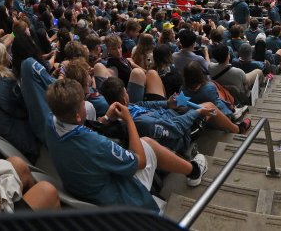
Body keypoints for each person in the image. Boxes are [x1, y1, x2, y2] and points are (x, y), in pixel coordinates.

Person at [44, 78, 207, 211]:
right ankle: (194, 171)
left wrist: (105, 119)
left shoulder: (50, 122)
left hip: (85, 187)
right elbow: (139, 161)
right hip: (120, 199)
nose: (85, 105)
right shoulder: (95, 144)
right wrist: (129, 119)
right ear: (78, 115)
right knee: (147, 143)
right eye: (82, 103)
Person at [0, 42, 38, 160]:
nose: (9, 55)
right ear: (3, 58)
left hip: (4, 131)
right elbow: (27, 106)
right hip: (20, 136)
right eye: (6, 53)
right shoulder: (7, 82)